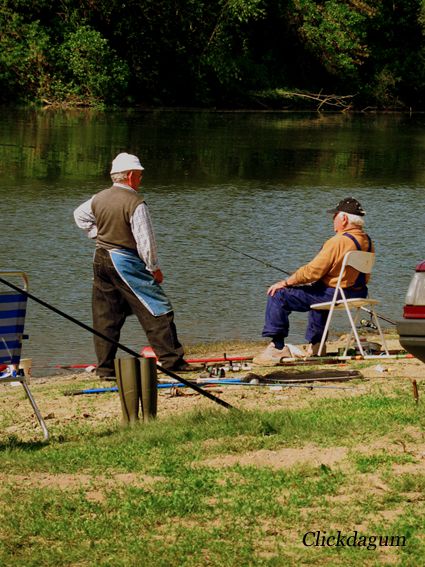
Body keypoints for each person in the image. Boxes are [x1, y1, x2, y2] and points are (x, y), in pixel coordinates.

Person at [74, 152, 199, 377]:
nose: (140, 180)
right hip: (124, 260)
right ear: (130, 176)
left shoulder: (99, 197)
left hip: (100, 258)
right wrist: (153, 268)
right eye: (139, 176)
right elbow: (145, 241)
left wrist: (97, 235)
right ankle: (172, 361)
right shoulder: (135, 202)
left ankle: (105, 368)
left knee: (106, 315)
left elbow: (79, 216)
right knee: (158, 307)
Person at [253, 197, 374, 364]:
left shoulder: (338, 241)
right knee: (318, 289)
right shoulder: (367, 241)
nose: (333, 221)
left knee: (278, 294)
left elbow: (312, 271)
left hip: (335, 295)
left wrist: (287, 282)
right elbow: (362, 276)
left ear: (344, 219)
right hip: (357, 293)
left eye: (335, 216)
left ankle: (277, 347)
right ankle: (317, 346)